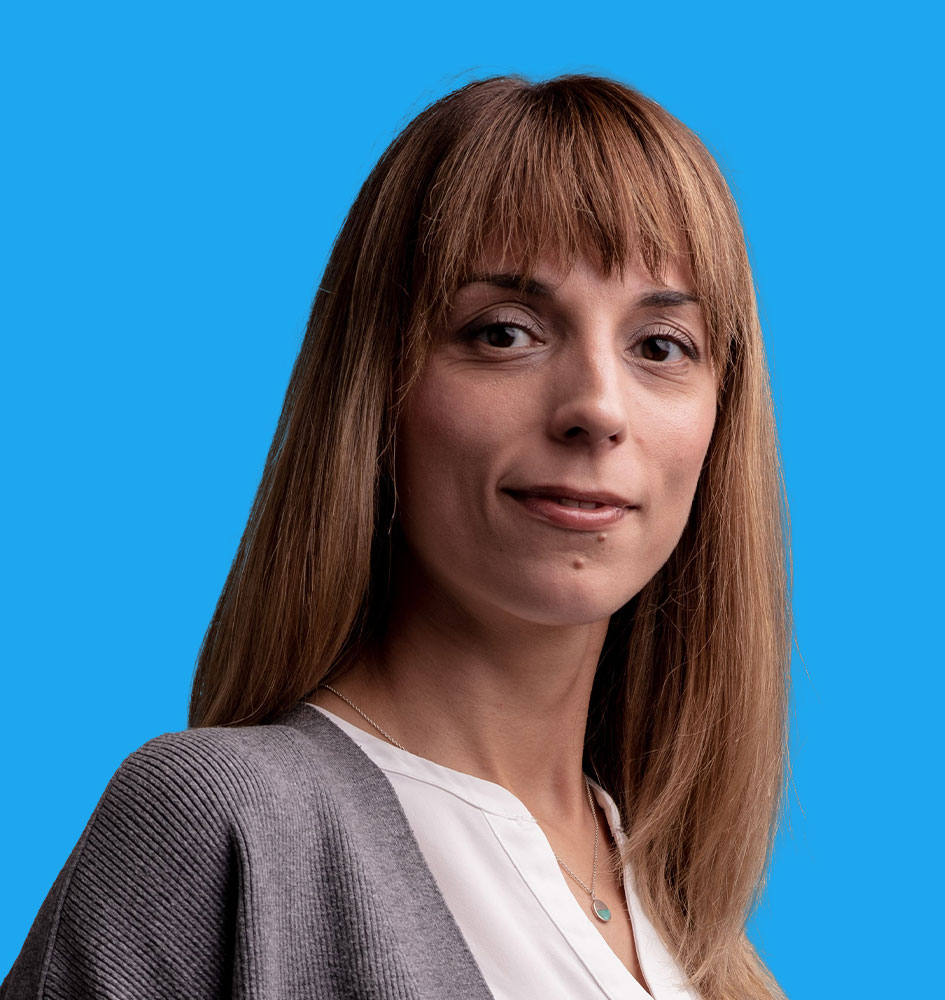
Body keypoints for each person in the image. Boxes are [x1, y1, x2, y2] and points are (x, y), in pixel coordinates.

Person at [2, 75, 790, 1000]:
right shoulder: (224, 830)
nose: (596, 409)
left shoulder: (700, 942)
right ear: (379, 390)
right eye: (504, 332)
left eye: (660, 345)